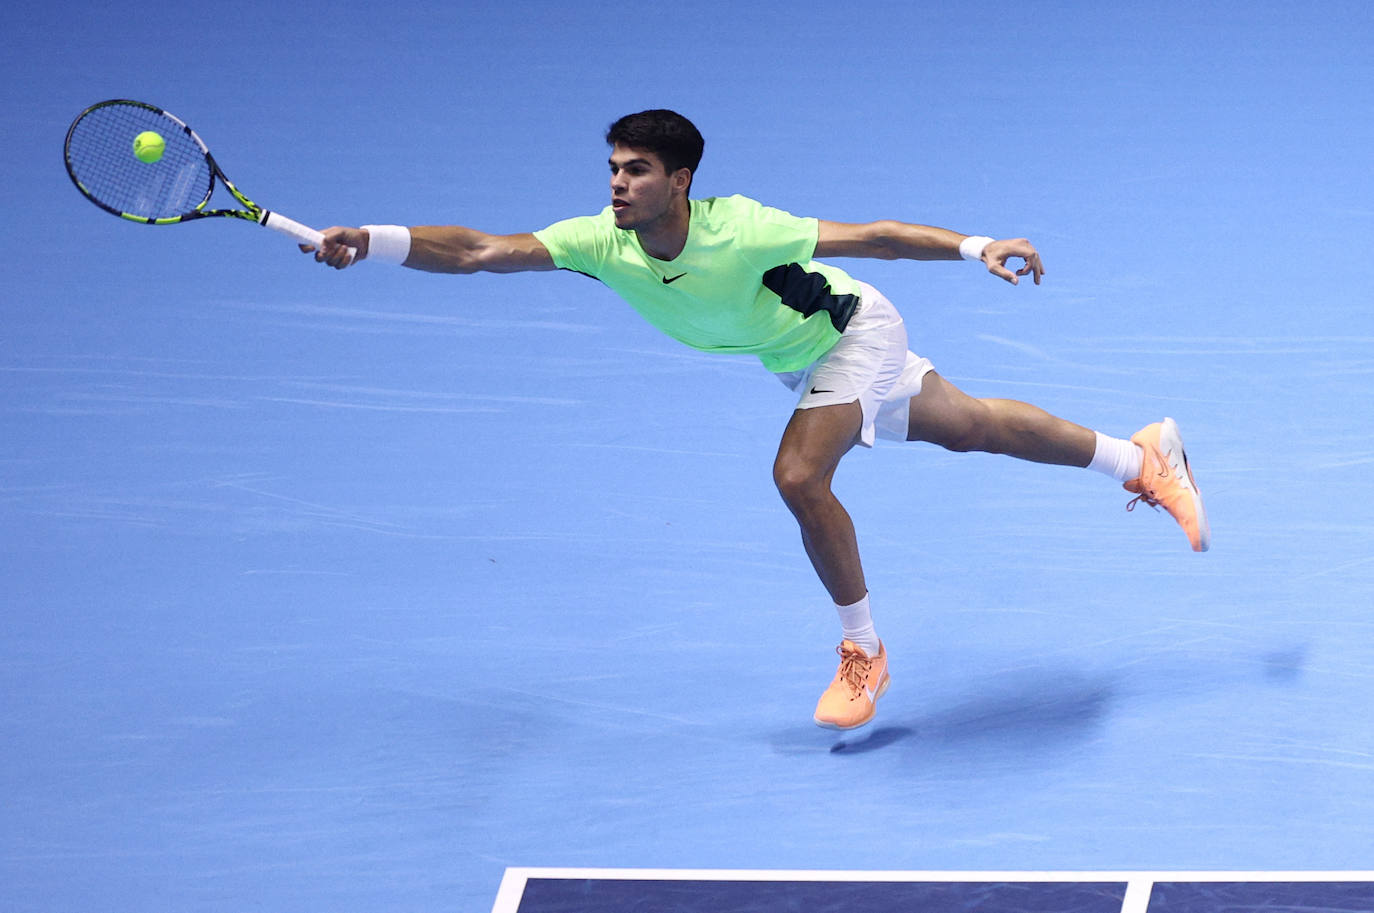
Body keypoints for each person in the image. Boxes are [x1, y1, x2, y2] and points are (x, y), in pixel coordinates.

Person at [305, 109, 1209, 731]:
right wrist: (375, 240)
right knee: (974, 426)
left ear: (680, 180)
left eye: (637, 170)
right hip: (798, 361)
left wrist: (978, 246)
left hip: (854, 329)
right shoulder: (597, 241)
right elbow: (476, 252)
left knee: (798, 476)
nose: (618, 184)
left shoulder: (743, 227)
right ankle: (1138, 457)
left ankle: (864, 651)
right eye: (613, 169)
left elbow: (877, 235)